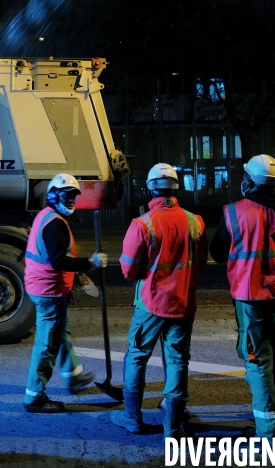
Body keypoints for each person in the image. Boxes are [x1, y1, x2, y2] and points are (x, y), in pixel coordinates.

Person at [209, 154, 275, 442]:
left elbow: (218, 253)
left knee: (258, 360)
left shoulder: (234, 212)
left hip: (250, 297)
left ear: (250, 181)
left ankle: (267, 433)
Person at [111, 163, 207, 438]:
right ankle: (173, 426)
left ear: (151, 188)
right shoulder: (195, 221)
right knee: (177, 361)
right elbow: (201, 259)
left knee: (138, 356)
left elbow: (128, 270)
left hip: (151, 303)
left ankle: (132, 418)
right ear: (176, 188)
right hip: (183, 303)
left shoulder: (143, 223)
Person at [23, 173, 108, 413]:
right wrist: (89, 263)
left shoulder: (48, 216)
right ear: (54, 195)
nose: (71, 200)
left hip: (48, 288)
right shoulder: (55, 223)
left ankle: (74, 376)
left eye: (74, 196)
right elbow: (59, 261)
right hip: (48, 290)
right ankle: (34, 396)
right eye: (67, 195)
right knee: (47, 344)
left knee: (62, 331)